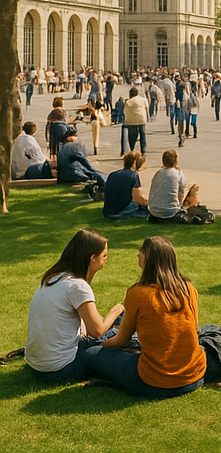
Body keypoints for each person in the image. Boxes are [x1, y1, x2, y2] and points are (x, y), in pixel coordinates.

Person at [84, 236, 207, 399]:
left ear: (147, 259)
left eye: (140, 251)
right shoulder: (188, 289)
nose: (138, 255)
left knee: (91, 354)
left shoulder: (139, 294)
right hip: (194, 377)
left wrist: (102, 344)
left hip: (153, 382)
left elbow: (122, 339)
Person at [25, 229, 125, 383]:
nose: (107, 259)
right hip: (62, 369)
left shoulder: (53, 277)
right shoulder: (77, 286)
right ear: (92, 258)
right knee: (117, 325)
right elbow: (97, 330)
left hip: (36, 365)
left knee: (109, 332)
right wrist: (115, 311)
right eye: (104, 255)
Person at [147, 148, 201, 223]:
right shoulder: (178, 173)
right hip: (170, 211)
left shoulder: (158, 173)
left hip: (154, 211)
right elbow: (183, 191)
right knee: (194, 188)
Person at [103, 152, 151, 220]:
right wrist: (149, 203)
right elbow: (138, 199)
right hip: (120, 211)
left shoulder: (113, 174)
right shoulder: (133, 175)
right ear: (134, 163)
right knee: (144, 209)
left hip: (108, 210)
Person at [121, 85, 149, 155]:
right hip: (142, 119)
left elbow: (125, 112)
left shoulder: (128, 102)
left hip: (132, 121)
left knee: (132, 136)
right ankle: (143, 151)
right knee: (143, 135)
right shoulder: (144, 100)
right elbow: (147, 109)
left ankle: (132, 149)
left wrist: (125, 121)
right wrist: (147, 118)